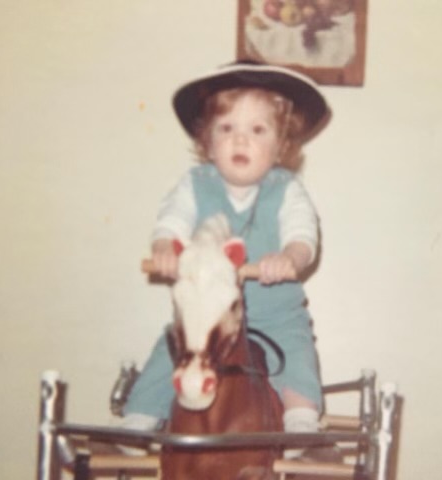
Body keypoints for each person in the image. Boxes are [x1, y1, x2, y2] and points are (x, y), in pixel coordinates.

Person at [120, 61, 330, 458]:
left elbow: (304, 235)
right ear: (206, 141)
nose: (240, 141)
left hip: (275, 315)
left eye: (257, 130)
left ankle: (300, 415)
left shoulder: (288, 191)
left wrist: (290, 257)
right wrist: (165, 247)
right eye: (226, 128)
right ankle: (140, 414)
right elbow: (172, 220)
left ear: (282, 143)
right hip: (205, 316)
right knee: (171, 352)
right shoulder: (194, 185)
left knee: (298, 351)